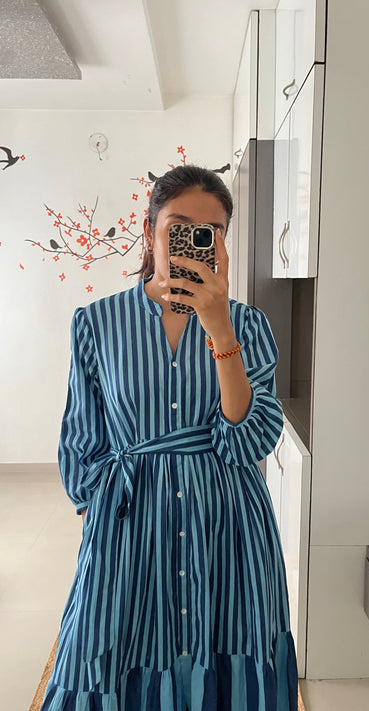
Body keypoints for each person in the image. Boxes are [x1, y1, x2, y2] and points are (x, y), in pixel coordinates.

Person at [40, 165, 298, 711]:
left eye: (210, 233)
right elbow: (82, 444)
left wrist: (219, 328)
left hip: (227, 521)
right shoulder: (97, 324)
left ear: (223, 244)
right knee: (109, 647)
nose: (193, 243)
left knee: (228, 640)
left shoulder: (248, 326)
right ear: (149, 231)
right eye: (179, 227)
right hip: (129, 523)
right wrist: (104, 534)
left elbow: (248, 441)